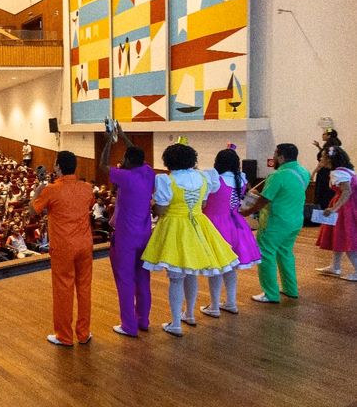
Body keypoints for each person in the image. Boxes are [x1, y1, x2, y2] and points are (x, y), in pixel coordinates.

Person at [140, 143, 238, 337]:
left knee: (176, 278)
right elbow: (202, 204)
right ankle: (189, 314)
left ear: (168, 161)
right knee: (191, 271)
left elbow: (160, 209)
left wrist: (155, 207)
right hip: (199, 225)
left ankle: (175, 323)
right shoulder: (203, 177)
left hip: (175, 227)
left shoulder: (166, 180)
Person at [30, 150, 95, 346]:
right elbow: (89, 205)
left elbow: (33, 211)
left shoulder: (51, 189)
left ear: (58, 168)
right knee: (84, 289)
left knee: (63, 290)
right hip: (85, 244)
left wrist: (38, 188)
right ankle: (84, 334)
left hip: (63, 247)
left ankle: (64, 336)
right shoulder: (87, 188)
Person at [99, 124, 154, 337]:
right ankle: (143, 321)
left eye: (124, 158)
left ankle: (129, 326)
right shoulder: (148, 173)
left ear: (128, 162)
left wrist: (107, 141)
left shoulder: (126, 177)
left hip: (126, 237)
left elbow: (103, 165)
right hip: (144, 234)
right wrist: (122, 137)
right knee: (143, 279)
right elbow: (137, 153)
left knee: (125, 281)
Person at [241, 143, 310, 303]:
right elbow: (288, 194)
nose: (273, 157)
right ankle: (290, 289)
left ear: (281, 157)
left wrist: (245, 212)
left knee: (266, 254)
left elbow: (264, 201)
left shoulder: (277, 176)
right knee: (286, 253)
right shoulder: (303, 172)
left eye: (275, 154)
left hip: (275, 222)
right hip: (295, 221)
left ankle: (270, 293)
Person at [200, 148, 262, 318]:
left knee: (217, 267)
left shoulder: (214, 178)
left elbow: (204, 203)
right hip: (236, 224)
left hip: (215, 225)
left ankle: (214, 306)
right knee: (230, 267)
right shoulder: (240, 179)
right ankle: (230, 302)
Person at [314, 146, 357, 281]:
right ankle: (335, 266)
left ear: (329, 158)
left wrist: (334, 208)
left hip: (344, 208)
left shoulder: (337, 173)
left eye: (323, 156)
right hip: (348, 205)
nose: (321, 159)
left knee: (346, 238)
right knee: (338, 236)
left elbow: (347, 191)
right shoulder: (347, 170)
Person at [312, 128, 342, 209]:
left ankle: (322, 215)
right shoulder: (333, 147)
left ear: (329, 136)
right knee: (328, 194)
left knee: (322, 195)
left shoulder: (329, 147)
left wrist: (314, 172)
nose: (322, 135)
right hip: (329, 173)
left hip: (324, 173)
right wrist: (319, 147)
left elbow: (324, 161)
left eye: (324, 134)